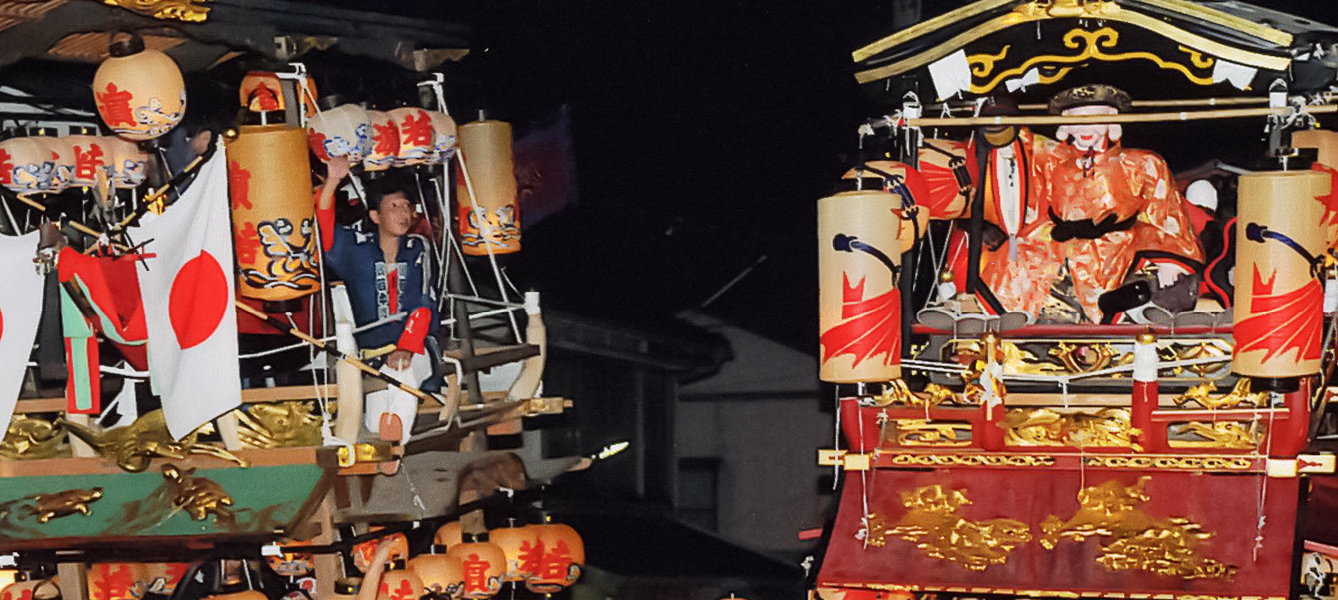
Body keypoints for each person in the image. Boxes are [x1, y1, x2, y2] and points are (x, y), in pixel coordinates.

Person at [980, 84, 1204, 323]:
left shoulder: (1143, 163)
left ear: (1111, 121)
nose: (1085, 128)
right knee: (1015, 268)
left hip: (1118, 249)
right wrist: (996, 112)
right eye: (1077, 120)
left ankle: (1130, 312)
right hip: (1057, 245)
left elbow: (1166, 213)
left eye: (1095, 119)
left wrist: (1168, 259)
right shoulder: (1050, 158)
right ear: (1065, 124)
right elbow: (1019, 144)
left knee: (1158, 283)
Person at [316, 157, 437, 442]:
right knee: (374, 424)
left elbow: (423, 304)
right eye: (394, 207)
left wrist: (406, 349)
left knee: (403, 375)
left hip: (416, 351)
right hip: (371, 357)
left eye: (406, 207)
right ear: (375, 216)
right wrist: (333, 181)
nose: (403, 213)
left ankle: (396, 445)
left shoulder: (418, 248)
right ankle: (393, 446)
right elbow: (325, 227)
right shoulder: (356, 251)